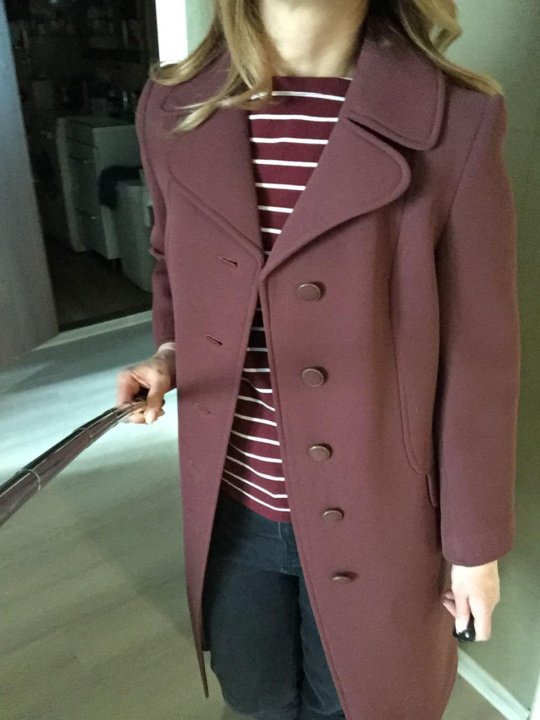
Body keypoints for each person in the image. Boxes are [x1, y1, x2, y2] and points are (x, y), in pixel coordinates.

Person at [117, 1, 521, 718]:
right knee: (257, 696)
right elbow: (175, 270)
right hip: (234, 507)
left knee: (361, 702)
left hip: (383, 514)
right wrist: (171, 355)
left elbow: (479, 357)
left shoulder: (457, 119)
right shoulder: (171, 106)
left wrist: (473, 547)